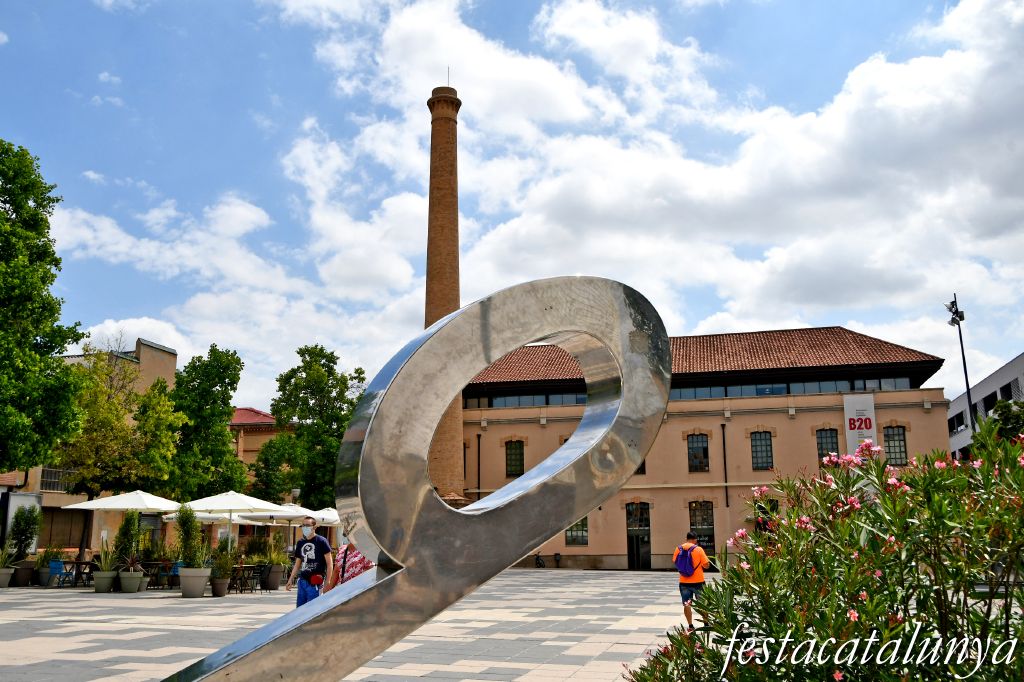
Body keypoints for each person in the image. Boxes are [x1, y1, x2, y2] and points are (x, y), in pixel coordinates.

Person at [285, 516, 333, 607]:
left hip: (315, 583)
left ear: (314, 527)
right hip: (302, 581)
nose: (304, 527)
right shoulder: (300, 542)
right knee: (300, 610)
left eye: (307, 525)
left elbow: (329, 564)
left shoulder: (322, 541)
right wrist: (290, 579)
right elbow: (297, 564)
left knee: (313, 609)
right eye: (303, 525)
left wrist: (328, 581)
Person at [673, 531, 710, 633]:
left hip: (684, 582)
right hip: (698, 582)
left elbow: (675, 562)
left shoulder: (678, 549)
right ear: (695, 539)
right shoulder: (698, 549)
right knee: (702, 604)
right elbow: (706, 565)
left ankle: (690, 625)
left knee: (687, 604)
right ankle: (706, 624)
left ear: (686, 539)